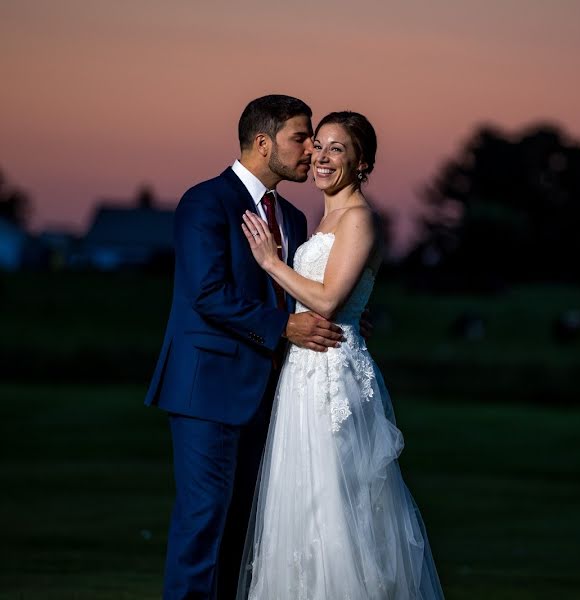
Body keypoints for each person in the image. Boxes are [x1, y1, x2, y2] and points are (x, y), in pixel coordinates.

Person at [145, 95, 349, 599]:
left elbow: (296, 292)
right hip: (206, 391)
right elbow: (207, 293)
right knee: (203, 523)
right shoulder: (205, 201)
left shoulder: (295, 219)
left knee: (245, 528)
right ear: (263, 143)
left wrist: (337, 311)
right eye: (301, 138)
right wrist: (285, 327)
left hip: (270, 395)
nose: (311, 150)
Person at [237, 111, 444, 599]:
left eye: (338, 149)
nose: (322, 158)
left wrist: (269, 262)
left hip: (333, 373)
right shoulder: (324, 217)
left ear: (362, 162)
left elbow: (328, 301)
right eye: (319, 146)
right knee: (302, 501)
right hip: (302, 369)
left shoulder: (358, 218)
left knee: (336, 501)